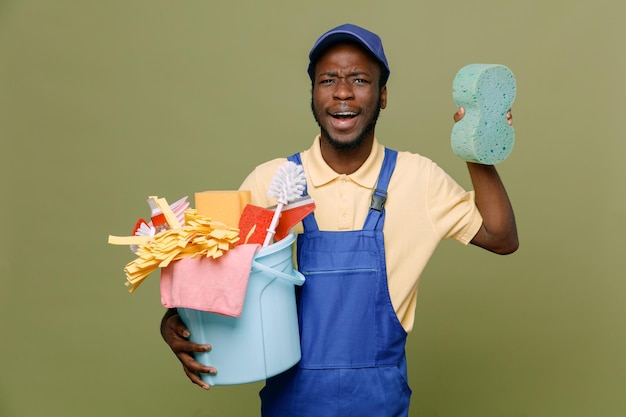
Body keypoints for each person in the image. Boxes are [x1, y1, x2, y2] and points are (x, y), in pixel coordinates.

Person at [160, 23, 518, 416]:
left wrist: (477, 146)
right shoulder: (272, 183)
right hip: (292, 403)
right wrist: (175, 321)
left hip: (380, 403)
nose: (343, 92)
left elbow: (501, 237)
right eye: (328, 80)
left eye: (360, 80)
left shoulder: (418, 178)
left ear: (382, 96)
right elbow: (222, 280)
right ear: (313, 96)